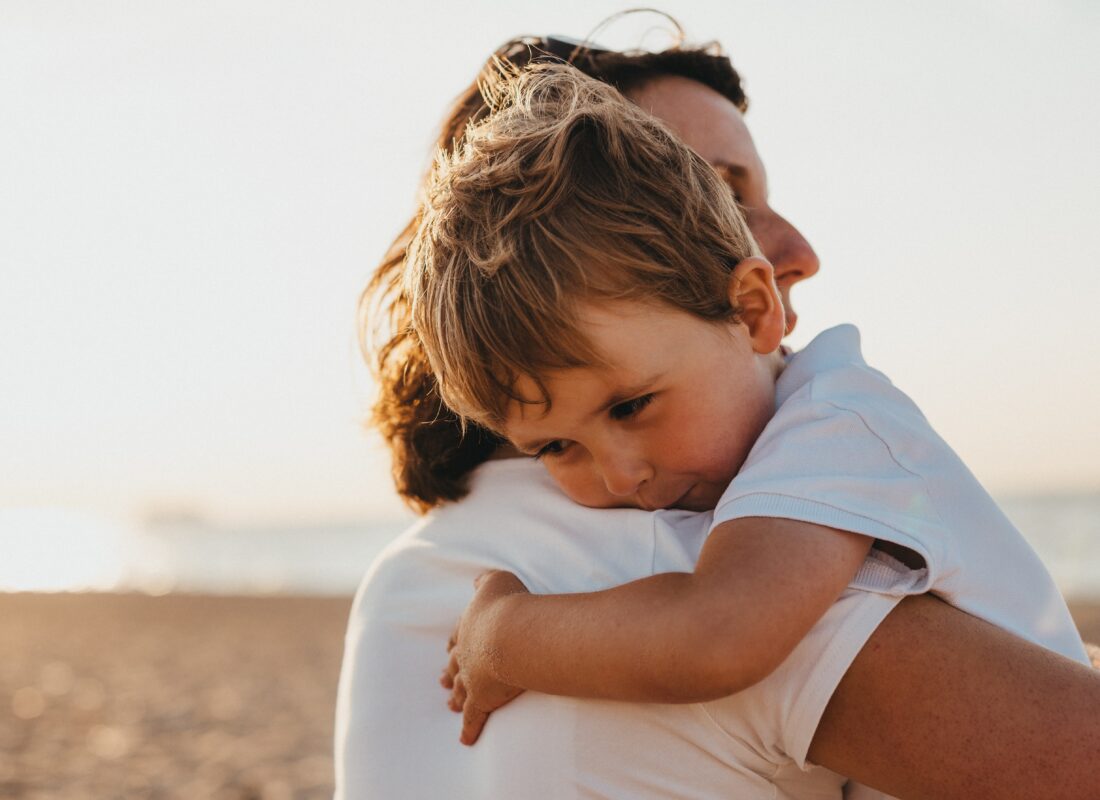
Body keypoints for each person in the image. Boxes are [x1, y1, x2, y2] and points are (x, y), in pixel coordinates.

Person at [336, 32, 1100, 800]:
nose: (621, 473)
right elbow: (718, 630)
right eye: (720, 193)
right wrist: (501, 634)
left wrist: (502, 634)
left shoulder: (408, 580)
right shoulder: (679, 549)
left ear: (750, 306)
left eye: (633, 406)